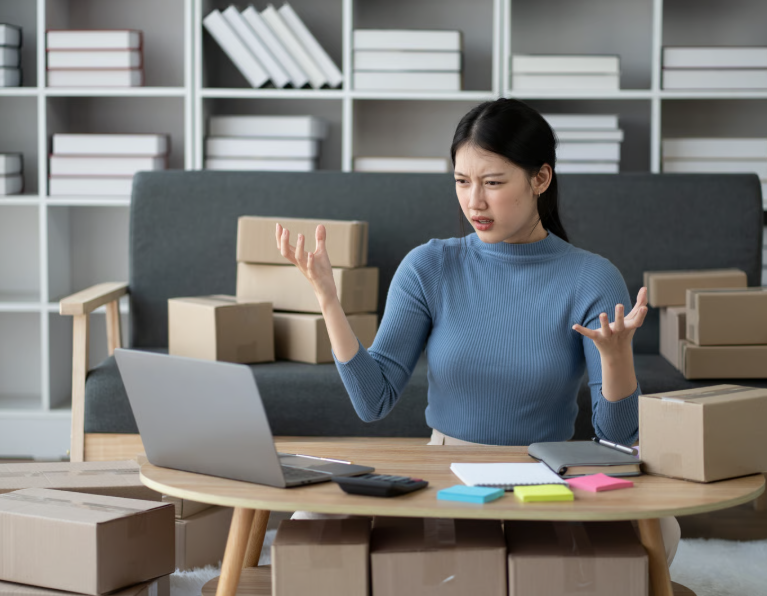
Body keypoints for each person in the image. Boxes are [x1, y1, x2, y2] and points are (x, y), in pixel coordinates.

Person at [275, 97, 680, 564]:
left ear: (540, 179)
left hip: (545, 474)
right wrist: (328, 298)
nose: (474, 201)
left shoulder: (591, 277)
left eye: (492, 183)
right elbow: (373, 401)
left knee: (662, 529)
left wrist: (616, 357)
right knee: (310, 522)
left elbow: (617, 433)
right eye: (462, 182)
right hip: (446, 470)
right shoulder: (429, 266)